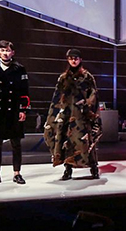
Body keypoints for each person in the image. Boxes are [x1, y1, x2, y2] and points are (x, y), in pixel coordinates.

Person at [43, 48, 101, 180]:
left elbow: (93, 95)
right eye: (71, 58)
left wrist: (88, 107)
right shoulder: (63, 78)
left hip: (82, 116)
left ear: (80, 59)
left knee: (86, 141)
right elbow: (57, 97)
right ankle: (68, 169)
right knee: (66, 141)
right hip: (66, 115)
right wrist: (53, 115)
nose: (73, 61)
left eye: (76, 58)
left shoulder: (87, 77)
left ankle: (93, 167)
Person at [0, 40, 30, 186]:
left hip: (14, 109)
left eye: (8, 50)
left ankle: (17, 173)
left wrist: (23, 109)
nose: (5, 53)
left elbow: (25, 90)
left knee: (16, 143)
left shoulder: (20, 68)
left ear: (13, 52)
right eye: (2, 50)